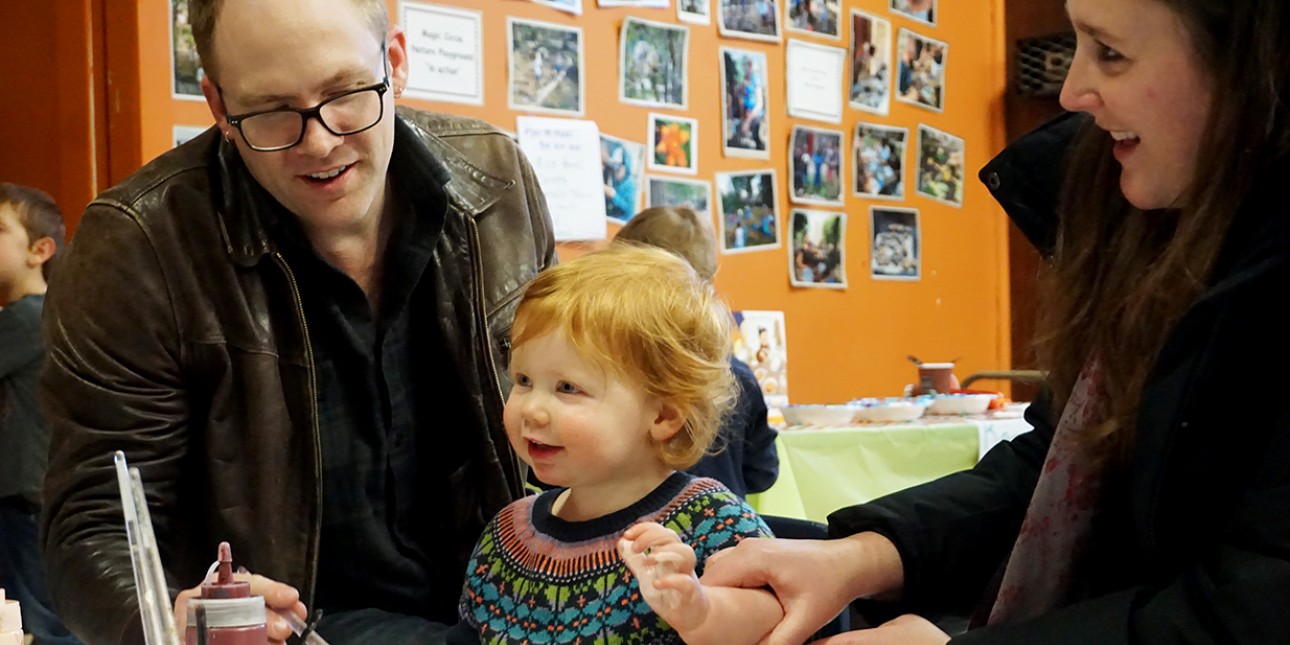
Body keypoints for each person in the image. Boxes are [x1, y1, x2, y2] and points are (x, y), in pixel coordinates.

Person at [699, 0, 1290, 643]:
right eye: (1077, 44)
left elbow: (1255, 607)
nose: (1072, 90)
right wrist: (859, 555)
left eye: (1111, 53)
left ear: (1250, 69)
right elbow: (1059, 468)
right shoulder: (1148, 229)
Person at [38, 0, 555, 643]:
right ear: (220, 107)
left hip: (509, 609)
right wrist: (168, 621)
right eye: (272, 110)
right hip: (295, 628)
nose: (320, 141)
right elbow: (95, 522)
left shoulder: (497, 183)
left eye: (345, 93)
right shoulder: (142, 246)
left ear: (394, 62)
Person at [456, 244, 780, 644]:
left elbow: (777, 614)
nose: (532, 409)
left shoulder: (712, 521)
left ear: (663, 416)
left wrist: (701, 611)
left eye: (567, 388)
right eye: (523, 380)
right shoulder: (507, 535)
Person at [613, 206, 779, 498]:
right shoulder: (735, 373)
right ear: (708, 280)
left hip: (634, 534)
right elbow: (762, 472)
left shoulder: (611, 367)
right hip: (722, 529)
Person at [0, 184, 80, 645]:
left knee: (41, 625)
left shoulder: (27, 319)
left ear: (40, 249)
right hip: (34, 500)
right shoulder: (48, 313)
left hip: (26, 502)